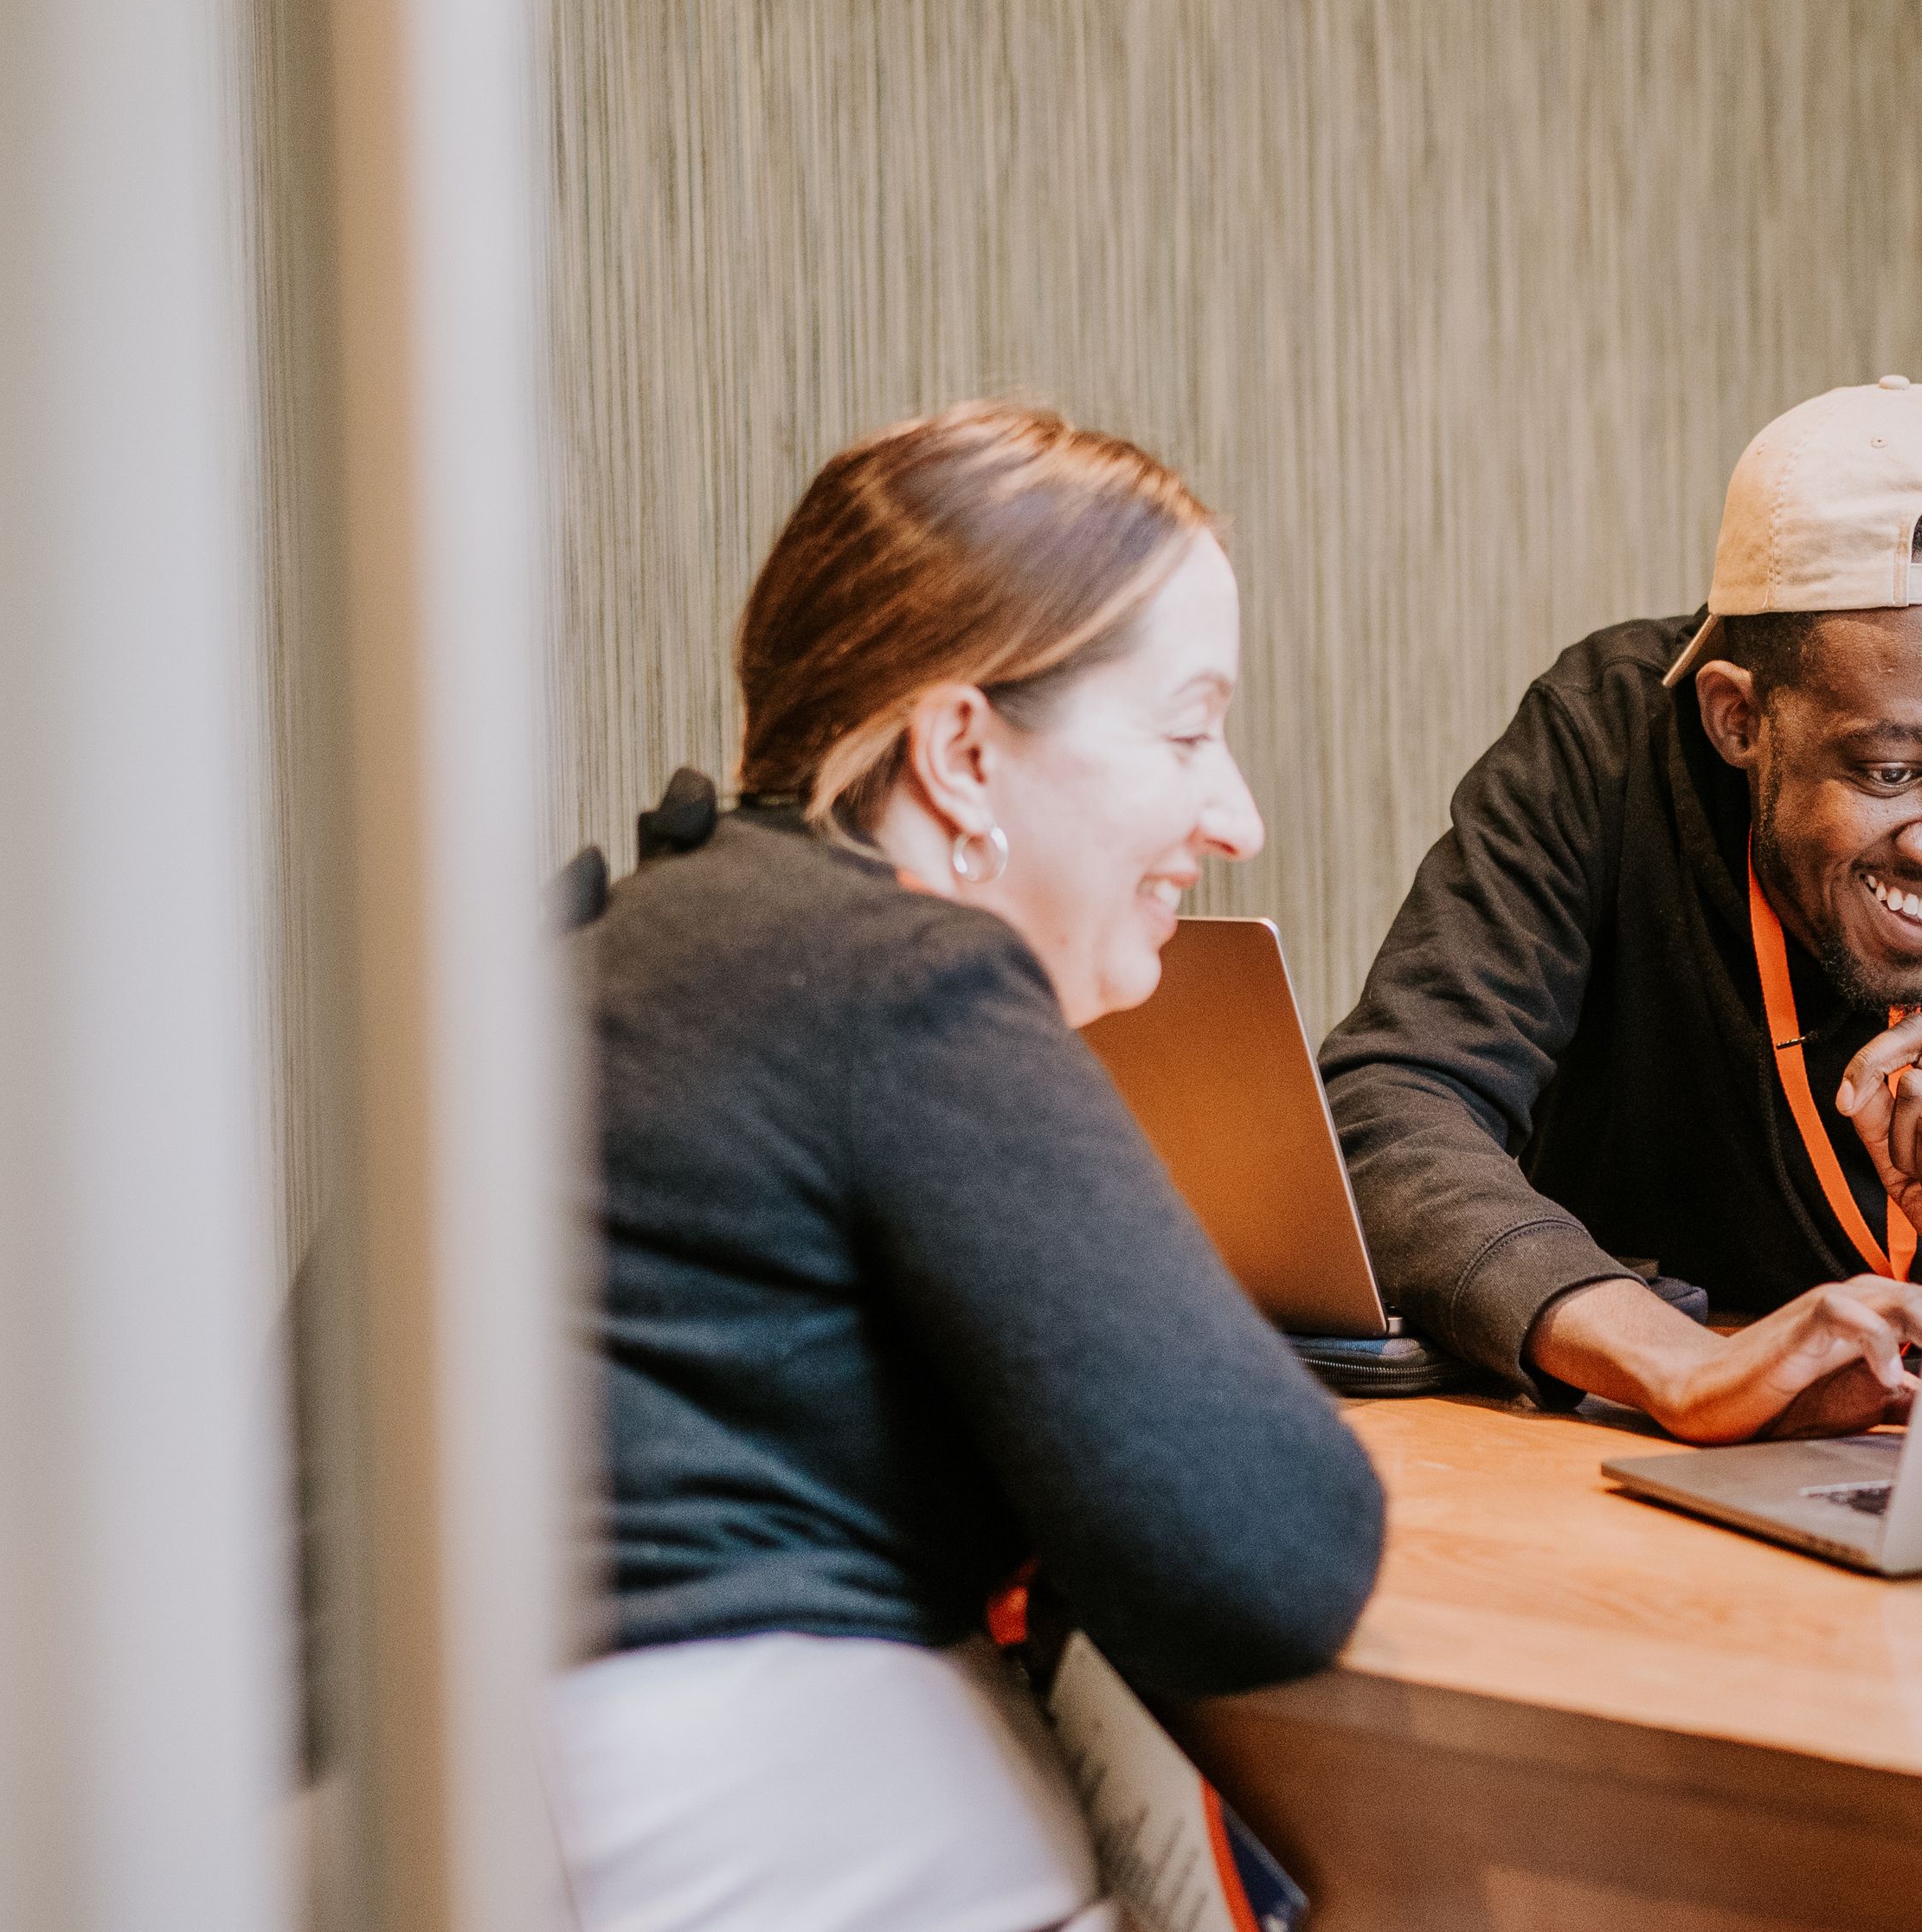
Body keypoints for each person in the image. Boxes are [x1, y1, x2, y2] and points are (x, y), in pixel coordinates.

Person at [551, 404, 1385, 1932]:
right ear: (961, 753)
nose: (1239, 815)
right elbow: (1269, 1550)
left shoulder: (632, 958)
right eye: (1190, 733)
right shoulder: (900, 971)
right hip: (691, 1821)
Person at [1321, 376, 1922, 1445]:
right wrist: (1678, 1365)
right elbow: (1391, 1105)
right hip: (1619, 1489)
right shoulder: (1608, 753)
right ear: (1738, 717)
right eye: (1893, 769)